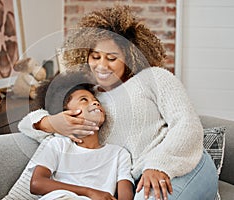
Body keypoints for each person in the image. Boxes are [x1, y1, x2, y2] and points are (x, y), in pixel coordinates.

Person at [19, 5, 218, 200]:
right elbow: (26, 125)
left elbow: (187, 124)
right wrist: (52, 123)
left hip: (181, 166)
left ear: (130, 57)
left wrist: (158, 165)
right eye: (95, 57)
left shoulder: (154, 78)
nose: (101, 65)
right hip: (139, 180)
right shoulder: (90, 97)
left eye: (112, 58)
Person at [29, 71, 134, 200]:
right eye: (84, 100)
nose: (95, 103)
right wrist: (89, 192)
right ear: (66, 113)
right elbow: (36, 184)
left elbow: (126, 194)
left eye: (96, 101)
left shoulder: (119, 154)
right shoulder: (58, 145)